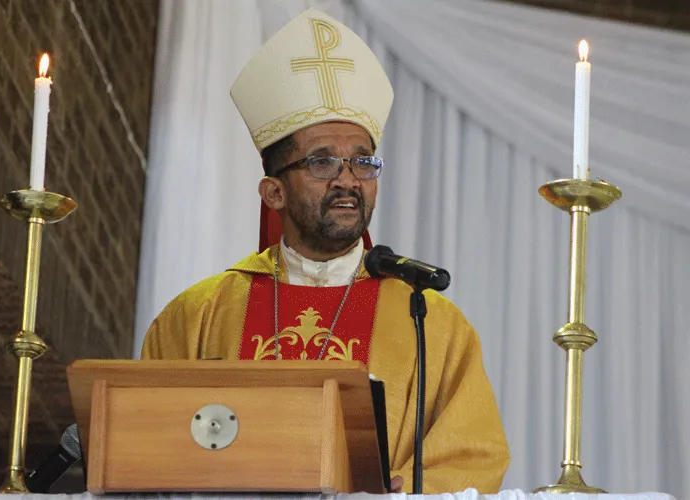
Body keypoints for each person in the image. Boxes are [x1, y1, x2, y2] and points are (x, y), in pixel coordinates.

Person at [141, 8, 509, 494]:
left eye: (363, 161)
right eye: (322, 161)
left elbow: (474, 458)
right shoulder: (196, 317)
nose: (347, 179)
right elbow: (147, 447)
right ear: (274, 193)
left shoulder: (431, 323)